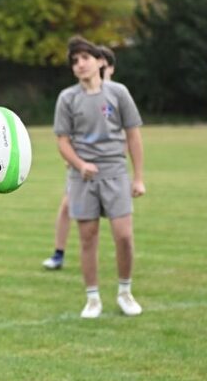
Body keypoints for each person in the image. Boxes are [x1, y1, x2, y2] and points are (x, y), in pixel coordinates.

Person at [54, 36, 145, 318]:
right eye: (74, 61)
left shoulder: (118, 93)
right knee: (88, 238)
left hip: (115, 172)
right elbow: (62, 141)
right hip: (82, 178)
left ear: (98, 62)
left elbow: (133, 135)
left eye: (85, 58)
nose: (80, 64)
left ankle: (125, 292)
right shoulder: (67, 98)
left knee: (124, 236)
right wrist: (80, 164)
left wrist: (138, 177)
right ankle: (92, 298)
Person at [43, 46, 116, 270]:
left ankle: (121, 252)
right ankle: (58, 254)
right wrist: (74, 158)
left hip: (110, 166)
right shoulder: (75, 96)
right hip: (82, 166)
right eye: (78, 61)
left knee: (115, 213)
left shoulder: (115, 95)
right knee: (67, 206)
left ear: (107, 66)